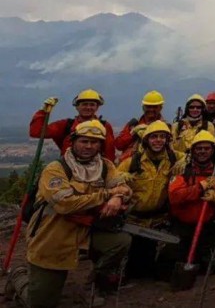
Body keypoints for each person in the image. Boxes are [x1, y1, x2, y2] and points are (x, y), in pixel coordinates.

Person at [24, 120, 132, 307]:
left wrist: (118, 198)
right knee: (41, 300)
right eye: (84, 141)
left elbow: (123, 187)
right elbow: (65, 204)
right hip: (53, 235)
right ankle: (18, 282)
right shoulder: (56, 169)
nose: (89, 146)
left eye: (94, 142)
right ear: (73, 142)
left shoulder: (105, 166)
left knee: (120, 242)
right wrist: (107, 194)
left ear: (100, 145)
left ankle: (88, 284)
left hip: (85, 230)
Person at [117, 120, 185, 280]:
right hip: (134, 219)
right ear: (146, 139)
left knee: (151, 258)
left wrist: (184, 162)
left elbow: (194, 156)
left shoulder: (174, 158)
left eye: (162, 137)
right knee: (134, 258)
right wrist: (121, 179)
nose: (158, 140)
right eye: (154, 137)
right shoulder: (132, 162)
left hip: (158, 219)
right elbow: (113, 180)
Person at [164, 131, 215, 278]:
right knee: (167, 267)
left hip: (207, 225)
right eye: (198, 148)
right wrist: (200, 187)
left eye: (206, 148)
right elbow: (175, 196)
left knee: (213, 266)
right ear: (193, 150)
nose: (202, 152)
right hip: (182, 225)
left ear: (213, 150)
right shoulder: (182, 169)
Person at [29, 89, 116, 161]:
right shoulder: (66, 125)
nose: (88, 107)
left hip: (95, 170)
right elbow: (37, 132)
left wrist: (108, 172)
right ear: (77, 107)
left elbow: (109, 152)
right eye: (84, 104)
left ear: (97, 107)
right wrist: (43, 112)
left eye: (92, 105)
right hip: (68, 169)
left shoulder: (105, 126)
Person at [114, 90, 166, 161]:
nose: (151, 109)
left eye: (154, 107)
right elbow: (119, 145)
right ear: (143, 107)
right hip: (131, 166)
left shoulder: (166, 127)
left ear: (160, 108)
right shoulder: (133, 124)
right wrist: (132, 133)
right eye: (148, 107)